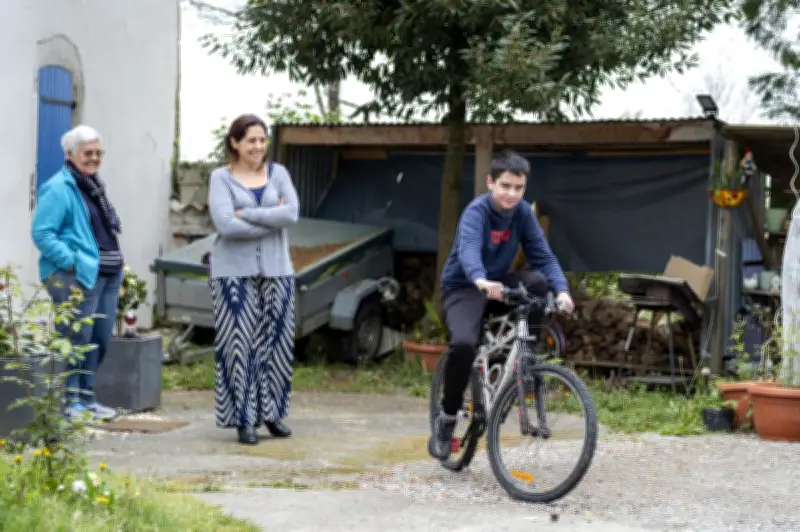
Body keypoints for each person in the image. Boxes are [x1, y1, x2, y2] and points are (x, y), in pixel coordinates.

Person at [428, 150, 575, 461]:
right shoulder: (476, 212)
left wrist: (562, 291)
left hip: (496, 286)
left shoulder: (522, 213)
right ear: (490, 182)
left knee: (537, 282)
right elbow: (468, 249)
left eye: (518, 188)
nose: (511, 194)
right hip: (464, 287)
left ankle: (526, 357)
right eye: (505, 186)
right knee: (465, 345)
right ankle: (447, 417)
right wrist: (480, 279)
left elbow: (543, 256)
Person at [207, 113, 299, 445]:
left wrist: (251, 214)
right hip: (232, 273)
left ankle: (272, 414)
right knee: (238, 346)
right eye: (251, 141)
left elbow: (292, 213)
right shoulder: (221, 178)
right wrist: (273, 219)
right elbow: (226, 225)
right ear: (235, 143)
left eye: (262, 140)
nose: (258, 146)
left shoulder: (279, 174)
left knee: (276, 345)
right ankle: (244, 419)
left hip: (278, 270)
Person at [31, 125, 123, 422]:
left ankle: (87, 396)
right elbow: (42, 233)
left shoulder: (93, 185)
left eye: (98, 152)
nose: (94, 158)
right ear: (70, 155)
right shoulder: (59, 187)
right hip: (77, 275)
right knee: (76, 337)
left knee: (100, 338)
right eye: (88, 153)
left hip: (107, 274)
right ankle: (72, 400)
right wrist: (71, 261)